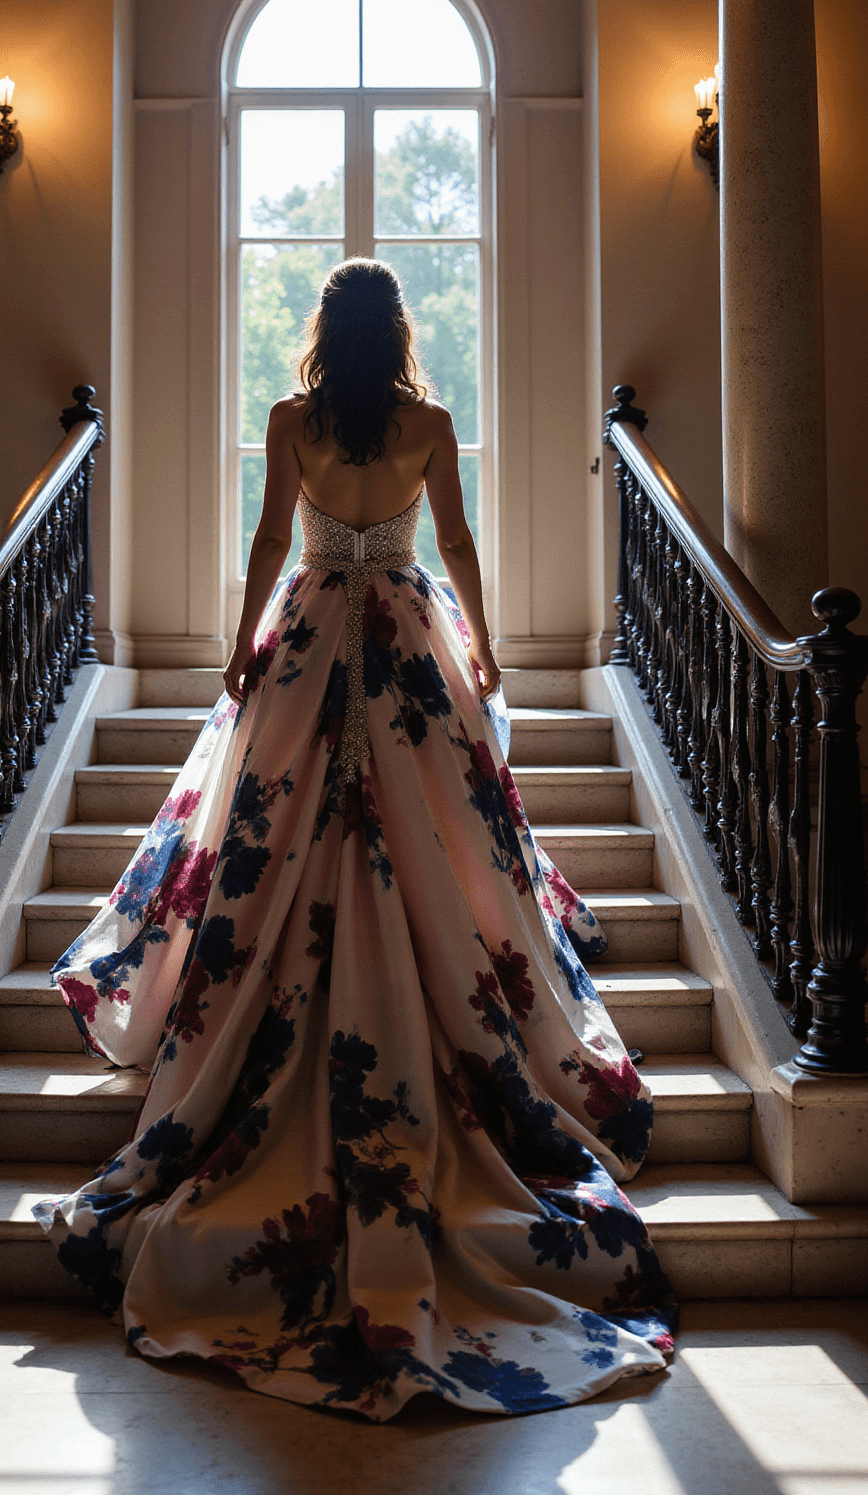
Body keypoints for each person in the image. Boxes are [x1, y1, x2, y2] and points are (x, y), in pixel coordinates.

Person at [34, 259, 676, 1420]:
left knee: (270, 818)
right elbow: (461, 544)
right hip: (406, 631)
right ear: (402, 333)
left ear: (329, 332)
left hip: (315, 628)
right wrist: (482, 646)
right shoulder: (428, 422)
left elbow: (273, 544)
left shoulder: (293, 419)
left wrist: (241, 647)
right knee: (439, 825)